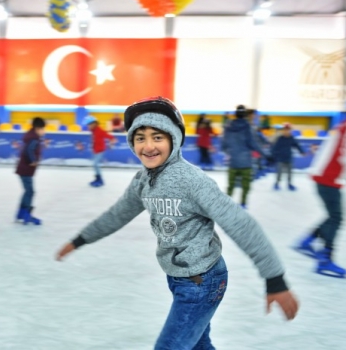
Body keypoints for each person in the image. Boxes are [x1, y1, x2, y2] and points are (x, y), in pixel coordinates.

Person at [56, 97, 299, 349]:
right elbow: (117, 214)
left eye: (158, 137)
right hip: (180, 279)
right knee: (198, 346)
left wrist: (275, 278)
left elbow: (240, 224)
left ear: (174, 139)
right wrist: (80, 239)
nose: (148, 146)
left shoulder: (192, 181)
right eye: (140, 138)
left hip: (202, 281)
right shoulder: (143, 180)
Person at [295, 96, 346, 278]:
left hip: (326, 178)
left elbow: (340, 155)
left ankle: (307, 241)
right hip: (327, 179)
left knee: (334, 216)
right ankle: (324, 259)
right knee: (336, 218)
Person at [222, 105, 268, 209]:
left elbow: (224, 145)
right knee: (246, 185)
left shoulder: (228, 127)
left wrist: (231, 152)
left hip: (233, 162)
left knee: (231, 185)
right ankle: (243, 202)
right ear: (245, 115)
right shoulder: (248, 127)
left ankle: (227, 204)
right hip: (246, 162)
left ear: (236, 114)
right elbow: (254, 144)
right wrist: (265, 155)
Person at [15, 117, 46, 225]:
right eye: (43, 129)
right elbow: (29, 150)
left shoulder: (32, 136)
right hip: (26, 169)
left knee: (27, 191)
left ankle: (21, 213)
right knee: (30, 192)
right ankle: (26, 215)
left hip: (24, 168)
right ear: (37, 128)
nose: (44, 131)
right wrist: (33, 161)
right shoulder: (34, 138)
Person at [82, 115, 117, 187]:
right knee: (95, 165)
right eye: (88, 125)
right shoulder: (93, 131)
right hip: (95, 151)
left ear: (94, 124)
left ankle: (100, 180)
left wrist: (112, 139)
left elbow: (107, 135)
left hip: (100, 151)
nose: (88, 127)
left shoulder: (99, 130)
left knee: (95, 164)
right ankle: (97, 179)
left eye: (89, 125)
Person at [271, 123, 305, 191]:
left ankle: (289, 184)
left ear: (290, 130)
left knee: (290, 172)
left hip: (289, 158)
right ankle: (277, 183)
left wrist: (302, 151)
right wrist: (273, 156)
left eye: (288, 130)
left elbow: (297, 145)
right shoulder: (280, 138)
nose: (286, 131)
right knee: (279, 172)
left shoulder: (291, 138)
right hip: (280, 158)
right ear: (283, 130)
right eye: (285, 130)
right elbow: (275, 148)